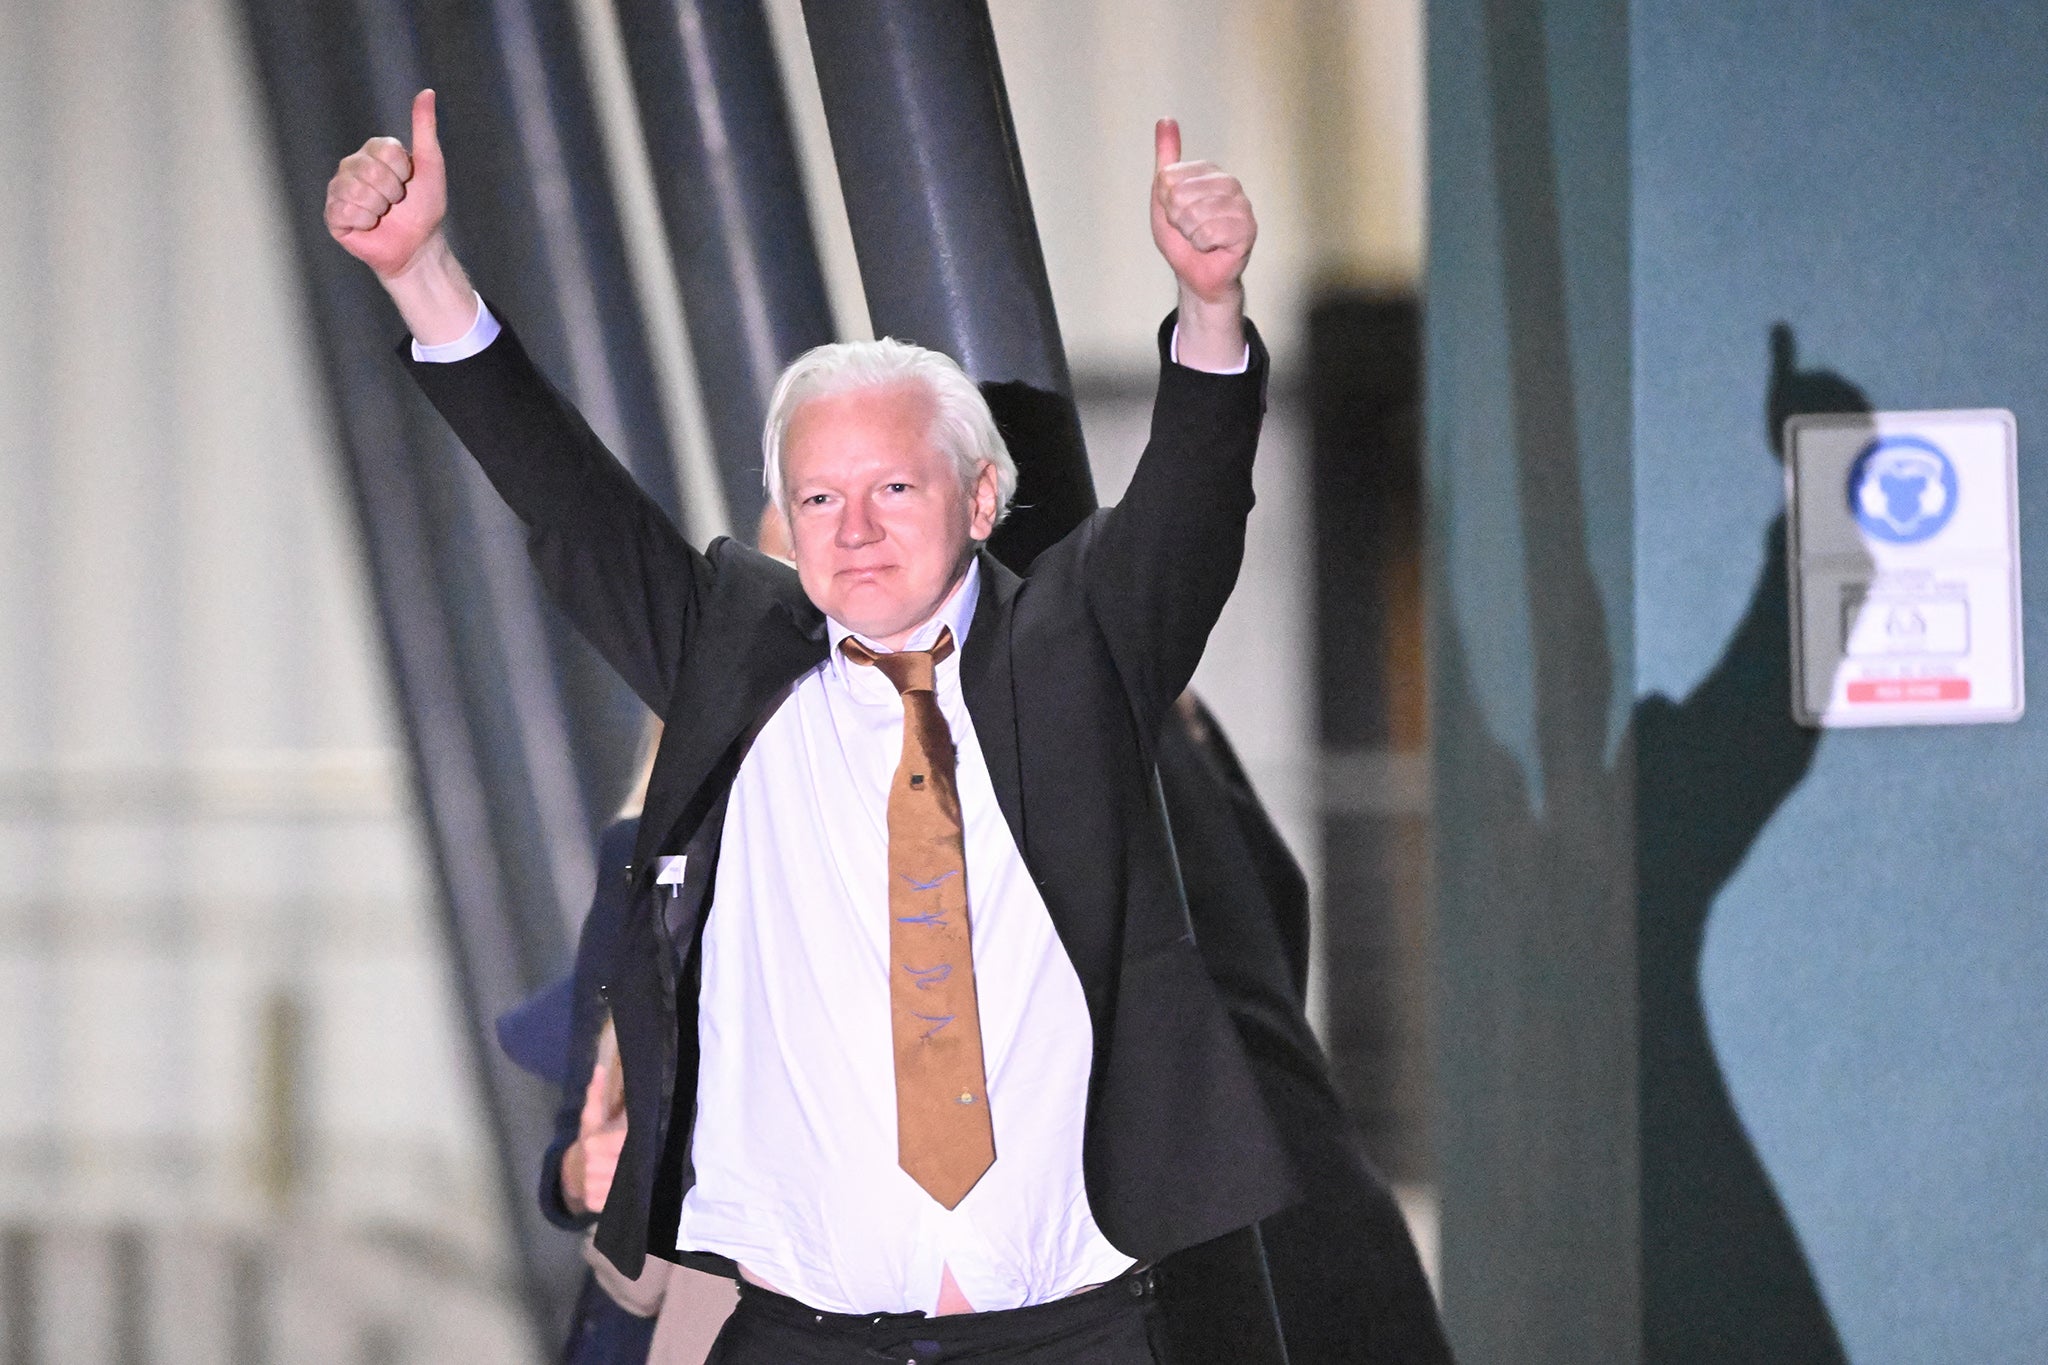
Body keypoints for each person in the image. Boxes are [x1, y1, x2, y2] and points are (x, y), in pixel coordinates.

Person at [327, 88, 1287, 1362]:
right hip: (802, 1336)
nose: (853, 528)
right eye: (817, 495)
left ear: (984, 495)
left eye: (894, 486)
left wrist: (1210, 310)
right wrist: (422, 272)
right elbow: (567, 497)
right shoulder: (731, 655)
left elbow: (1190, 506)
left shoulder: (1073, 648)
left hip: (1077, 1331)